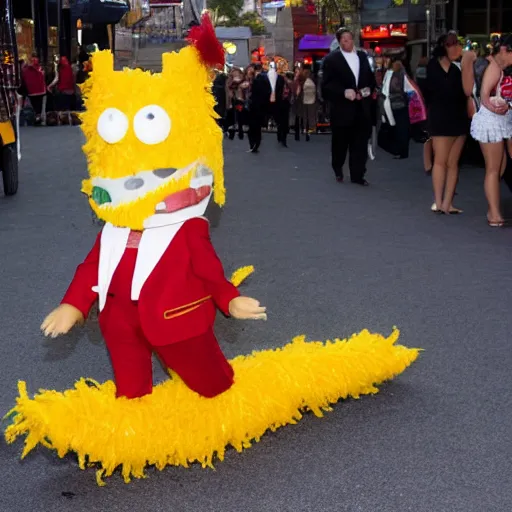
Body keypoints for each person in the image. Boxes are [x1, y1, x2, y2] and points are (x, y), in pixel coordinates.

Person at [321, 27, 376, 185]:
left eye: (350, 39)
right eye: (344, 40)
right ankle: (338, 168)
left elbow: (370, 79)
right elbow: (326, 86)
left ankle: (358, 175)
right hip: (342, 110)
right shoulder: (332, 59)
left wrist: (367, 90)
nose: (348, 42)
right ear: (339, 42)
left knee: (359, 143)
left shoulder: (362, 57)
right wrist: (343, 92)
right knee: (340, 143)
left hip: (361, 108)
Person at [470, 35, 512, 227]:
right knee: (494, 169)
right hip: (491, 120)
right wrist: (500, 107)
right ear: (504, 50)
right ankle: (494, 213)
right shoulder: (494, 66)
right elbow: (485, 96)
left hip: (499, 119)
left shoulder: (498, 66)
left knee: (499, 168)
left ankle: (493, 210)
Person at [425, 32, 467, 214]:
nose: (456, 47)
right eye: (451, 44)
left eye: (457, 43)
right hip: (441, 118)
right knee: (441, 161)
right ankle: (439, 201)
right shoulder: (433, 66)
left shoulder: (460, 67)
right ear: (444, 46)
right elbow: (436, 92)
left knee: (452, 162)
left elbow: (466, 91)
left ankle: (447, 202)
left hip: (458, 118)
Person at [247, 63, 271, 153]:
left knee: (253, 128)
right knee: (256, 127)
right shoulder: (263, 78)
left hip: (255, 106)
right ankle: (255, 144)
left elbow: (255, 93)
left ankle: (254, 144)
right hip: (260, 106)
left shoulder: (258, 79)